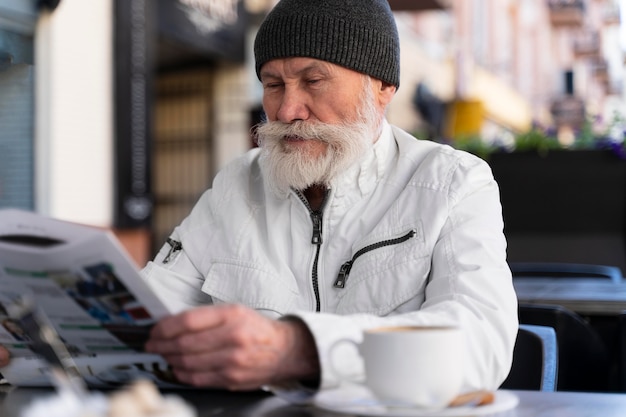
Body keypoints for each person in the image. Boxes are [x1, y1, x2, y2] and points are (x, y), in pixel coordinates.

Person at [0, 0, 518, 401]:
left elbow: (482, 342)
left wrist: (298, 350)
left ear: (382, 86)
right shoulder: (237, 183)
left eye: (314, 80)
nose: (288, 108)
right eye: (273, 84)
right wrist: (36, 340)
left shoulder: (454, 182)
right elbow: (153, 314)